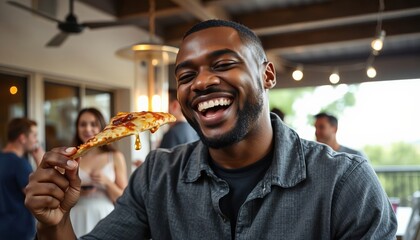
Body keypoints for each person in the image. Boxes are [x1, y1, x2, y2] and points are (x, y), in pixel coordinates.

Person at [25, 19, 397, 239]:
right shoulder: (157, 176)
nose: (200, 83)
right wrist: (53, 224)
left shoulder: (343, 182)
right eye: (186, 75)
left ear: (267, 75)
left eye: (222, 64)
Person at [69, 108, 128, 237]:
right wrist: (77, 191)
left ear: (102, 127)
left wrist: (107, 183)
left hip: (105, 217)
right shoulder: (71, 157)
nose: (87, 129)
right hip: (76, 216)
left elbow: (125, 200)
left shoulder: (115, 156)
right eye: (83, 124)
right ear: (77, 128)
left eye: (93, 124)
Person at [0, 117, 44, 240]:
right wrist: (41, 161)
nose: (36, 140)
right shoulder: (19, 163)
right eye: (34, 135)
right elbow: (39, 196)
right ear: (22, 138)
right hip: (19, 232)